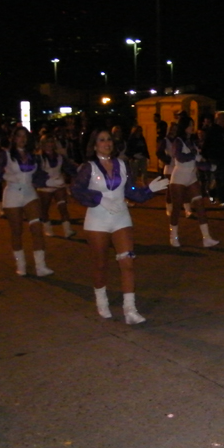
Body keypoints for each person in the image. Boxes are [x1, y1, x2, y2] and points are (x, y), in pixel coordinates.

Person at [71, 129, 168, 324]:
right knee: (100, 264)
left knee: (128, 263)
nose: (106, 143)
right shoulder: (88, 167)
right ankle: (101, 300)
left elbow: (132, 191)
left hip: (121, 218)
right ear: (94, 145)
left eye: (109, 140)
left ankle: (130, 309)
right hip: (97, 220)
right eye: (101, 139)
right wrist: (99, 199)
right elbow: (76, 190)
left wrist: (149, 190)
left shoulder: (122, 165)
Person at [0, 126, 54, 277]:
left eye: (25, 136)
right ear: (14, 138)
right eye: (19, 136)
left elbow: (39, 174)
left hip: (29, 192)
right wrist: (1, 178)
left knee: (37, 229)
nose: (22, 139)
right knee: (17, 231)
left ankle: (41, 266)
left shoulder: (34, 156)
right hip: (12, 193)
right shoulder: (6, 155)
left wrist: (43, 181)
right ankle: (21, 265)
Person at [168, 115, 219, 248]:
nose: (192, 127)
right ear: (184, 127)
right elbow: (179, 157)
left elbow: (195, 162)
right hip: (179, 177)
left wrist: (209, 166)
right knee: (176, 209)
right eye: (190, 125)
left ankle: (206, 238)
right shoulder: (178, 141)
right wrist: (194, 156)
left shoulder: (192, 142)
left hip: (191, 176)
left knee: (200, 205)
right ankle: (173, 236)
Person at [37, 135, 78, 238]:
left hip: (59, 186)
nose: (49, 145)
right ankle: (47, 228)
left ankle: (67, 230)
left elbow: (70, 168)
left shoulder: (60, 157)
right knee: (45, 209)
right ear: (42, 145)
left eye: (51, 142)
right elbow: (35, 173)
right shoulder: (38, 158)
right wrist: (44, 181)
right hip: (45, 187)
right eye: (47, 143)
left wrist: (80, 170)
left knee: (63, 207)